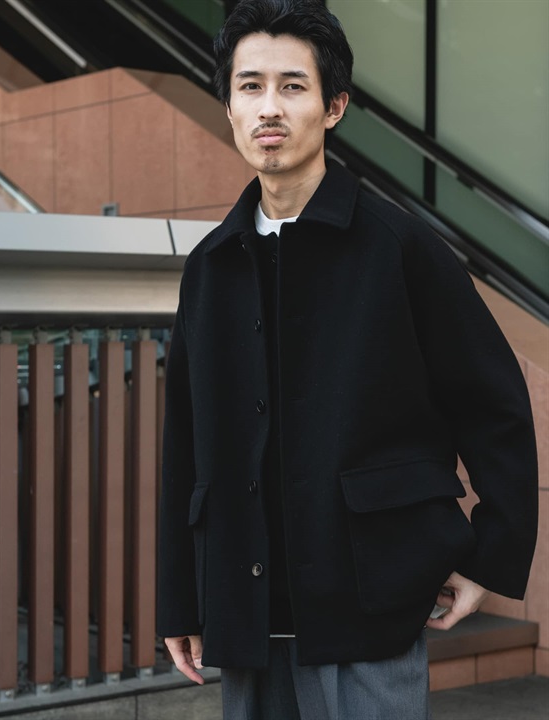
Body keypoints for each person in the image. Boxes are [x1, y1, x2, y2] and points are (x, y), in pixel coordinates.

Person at [157, 1, 538, 717]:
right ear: (229, 106)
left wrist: (491, 554)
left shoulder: (400, 247)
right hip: (245, 607)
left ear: (334, 107)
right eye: (250, 86)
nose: (269, 107)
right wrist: (179, 596)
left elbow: (494, 404)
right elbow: (185, 441)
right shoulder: (209, 267)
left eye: (293, 86)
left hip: (371, 600)